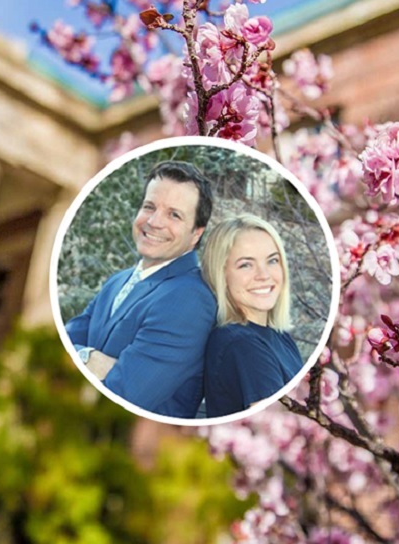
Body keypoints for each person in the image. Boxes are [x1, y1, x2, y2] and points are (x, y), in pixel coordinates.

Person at [66, 161, 217, 418]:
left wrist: (80, 359)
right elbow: (65, 343)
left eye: (174, 215)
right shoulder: (118, 281)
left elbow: (125, 394)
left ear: (196, 234)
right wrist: (89, 357)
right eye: (149, 207)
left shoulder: (190, 299)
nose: (154, 222)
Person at [201, 214, 303, 417]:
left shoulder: (281, 338)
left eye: (272, 260)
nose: (264, 275)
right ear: (221, 275)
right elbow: (274, 426)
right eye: (246, 264)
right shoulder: (242, 345)